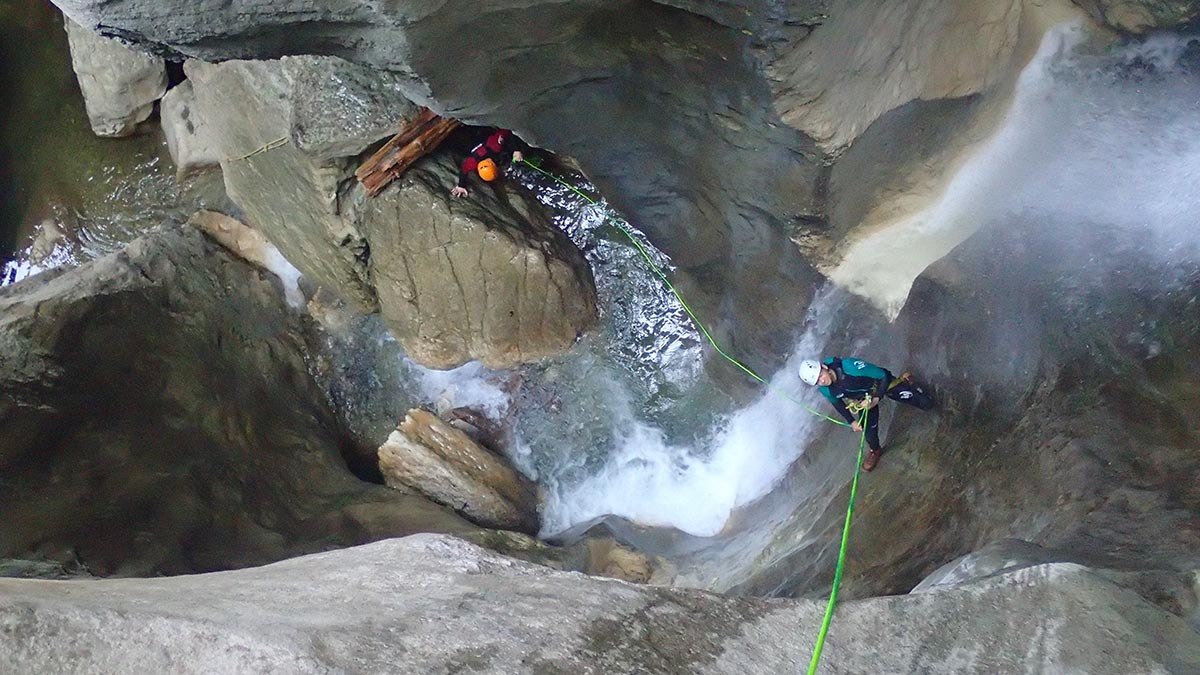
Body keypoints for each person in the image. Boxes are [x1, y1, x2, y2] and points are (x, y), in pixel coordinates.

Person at [798, 356, 934, 472]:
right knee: (869, 433)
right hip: (863, 399)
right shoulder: (826, 389)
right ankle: (875, 451)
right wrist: (851, 421)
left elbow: (883, 375)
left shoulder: (850, 367)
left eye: (820, 375)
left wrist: (876, 398)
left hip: (880, 386)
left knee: (927, 403)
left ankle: (905, 382)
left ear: (824, 367)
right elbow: (838, 403)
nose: (822, 381)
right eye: (817, 381)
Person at [449, 128, 530, 198]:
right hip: (472, 140)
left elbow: (506, 131)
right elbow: (464, 170)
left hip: (481, 134)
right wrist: (461, 186)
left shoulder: (495, 145)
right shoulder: (472, 162)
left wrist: (516, 149)